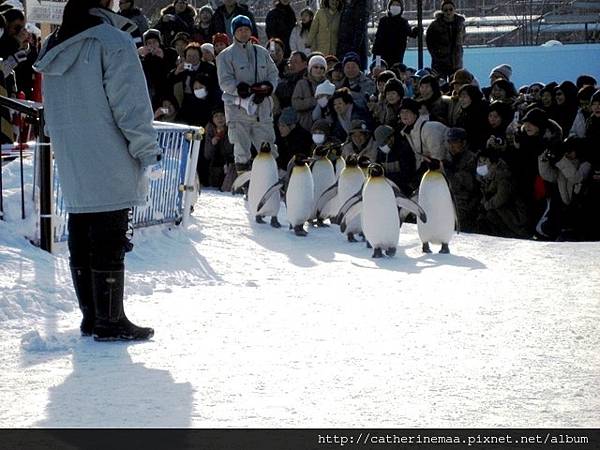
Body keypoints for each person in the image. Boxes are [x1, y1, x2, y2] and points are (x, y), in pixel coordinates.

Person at [34, 0, 161, 341]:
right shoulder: (111, 41)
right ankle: (110, 319)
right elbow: (130, 105)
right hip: (109, 149)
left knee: (82, 224)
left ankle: (91, 316)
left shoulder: (54, 44)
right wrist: (148, 151)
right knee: (109, 233)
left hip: (71, 149)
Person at [216, 15, 279, 174]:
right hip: (238, 110)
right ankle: (244, 183)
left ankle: (269, 180)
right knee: (241, 150)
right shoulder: (225, 55)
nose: (244, 33)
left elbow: (273, 73)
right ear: (234, 33)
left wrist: (268, 87)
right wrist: (240, 89)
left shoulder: (261, 52)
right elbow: (224, 81)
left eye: (246, 29)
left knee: (268, 148)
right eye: (240, 30)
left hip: (262, 109)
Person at [444, 127, 479, 232]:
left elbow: (471, 184)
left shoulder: (472, 159)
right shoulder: (448, 157)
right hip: (450, 197)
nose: (451, 145)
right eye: (449, 141)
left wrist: (453, 174)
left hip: (468, 200)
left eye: (455, 142)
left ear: (463, 143)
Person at [425, 0, 465, 80]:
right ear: (442, 11)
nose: (448, 12)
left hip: (456, 62)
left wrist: (458, 53)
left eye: (450, 9)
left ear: (454, 9)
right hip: (440, 62)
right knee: (439, 84)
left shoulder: (460, 24)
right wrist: (436, 54)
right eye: (445, 10)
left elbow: (462, 39)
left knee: (455, 83)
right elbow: (429, 42)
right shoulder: (435, 25)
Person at [372, 0, 419, 68]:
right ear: (389, 7)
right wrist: (377, 61)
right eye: (393, 5)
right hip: (383, 56)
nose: (395, 7)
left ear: (401, 8)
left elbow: (411, 34)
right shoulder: (384, 21)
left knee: (396, 73)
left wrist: (417, 30)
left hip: (397, 56)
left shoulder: (403, 22)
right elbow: (378, 41)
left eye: (397, 5)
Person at [336, 0, 370, 70]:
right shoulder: (344, 4)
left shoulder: (360, 4)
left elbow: (360, 29)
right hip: (342, 48)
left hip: (353, 50)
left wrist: (354, 50)